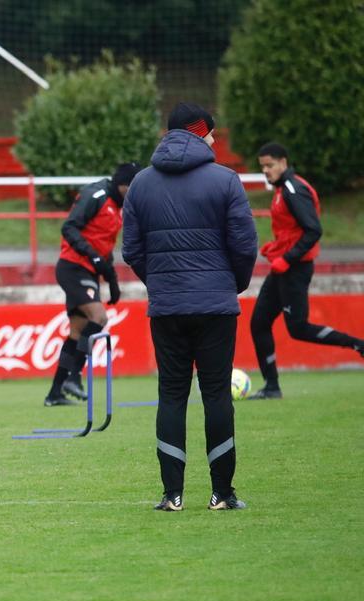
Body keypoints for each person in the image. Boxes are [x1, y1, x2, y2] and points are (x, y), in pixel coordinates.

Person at [121, 103, 258, 512]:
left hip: (167, 307)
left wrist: (161, 283)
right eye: (212, 133)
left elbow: (132, 250)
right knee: (217, 394)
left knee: (172, 394)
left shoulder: (142, 184)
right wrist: (231, 284)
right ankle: (222, 494)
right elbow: (245, 244)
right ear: (200, 132)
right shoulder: (225, 180)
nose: (215, 140)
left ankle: (172, 495)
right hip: (216, 305)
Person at [249, 142, 364, 398]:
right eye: (262, 167)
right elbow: (293, 231)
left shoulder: (293, 189)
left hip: (295, 269)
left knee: (298, 328)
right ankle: (271, 387)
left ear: (283, 162)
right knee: (259, 323)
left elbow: (313, 230)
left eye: (269, 165)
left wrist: (287, 258)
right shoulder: (281, 190)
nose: (266, 171)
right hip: (283, 268)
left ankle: (358, 344)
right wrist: (276, 247)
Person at [44, 162, 141, 407]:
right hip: (73, 267)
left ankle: (55, 393)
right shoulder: (95, 195)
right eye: (134, 187)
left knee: (77, 332)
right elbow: (69, 228)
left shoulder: (121, 207)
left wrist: (112, 279)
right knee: (99, 318)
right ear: (123, 185)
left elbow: (104, 245)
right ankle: (74, 377)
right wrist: (94, 257)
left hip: (89, 271)